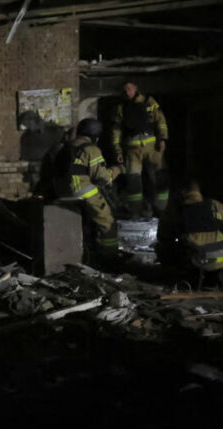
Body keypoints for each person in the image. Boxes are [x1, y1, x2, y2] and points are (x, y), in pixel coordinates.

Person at [53, 118, 122, 259]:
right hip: (82, 191)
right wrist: (118, 169)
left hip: (61, 192)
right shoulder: (91, 149)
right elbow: (103, 178)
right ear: (95, 136)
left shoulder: (63, 148)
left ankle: (87, 250)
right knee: (106, 220)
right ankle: (110, 256)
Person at [111, 81, 169, 218]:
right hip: (132, 150)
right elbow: (116, 130)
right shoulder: (121, 107)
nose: (127, 92)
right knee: (133, 181)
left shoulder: (149, 102)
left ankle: (162, 209)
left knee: (160, 177)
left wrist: (162, 139)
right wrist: (117, 151)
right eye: (125, 90)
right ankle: (135, 212)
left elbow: (160, 120)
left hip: (152, 147)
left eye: (129, 89)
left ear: (136, 88)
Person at [157, 181, 223, 286]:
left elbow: (163, 236)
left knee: (163, 247)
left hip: (196, 266)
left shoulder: (177, 210)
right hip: (220, 265)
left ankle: (177, 276)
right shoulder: (215, 205)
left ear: (183, 192)